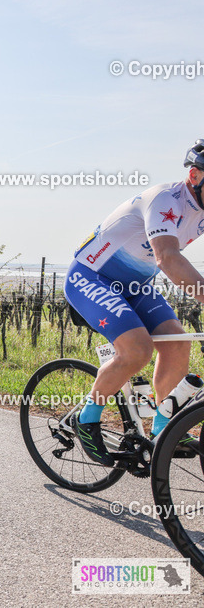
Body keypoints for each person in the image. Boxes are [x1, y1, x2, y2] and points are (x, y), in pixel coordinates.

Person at [66, 139, 204, 465]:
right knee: (138, 350)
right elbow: (168, 258)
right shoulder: (165, 199)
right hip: (91, 277)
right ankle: (86, 418)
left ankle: (162, 426)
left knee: (177, 342)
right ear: (196, 176)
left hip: (135, 284)